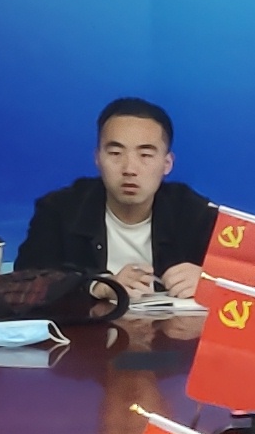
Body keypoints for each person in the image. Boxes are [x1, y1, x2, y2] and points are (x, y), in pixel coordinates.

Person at [20, 98, 215, 298]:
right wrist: (97, 286)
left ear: (167, 164)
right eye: (115, 153)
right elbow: (21, 284)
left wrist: (210, 280)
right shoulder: (59, 210)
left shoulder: (195, 213)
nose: (129, 169)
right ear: (97, 158)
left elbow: (236, 276)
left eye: (145, 155)